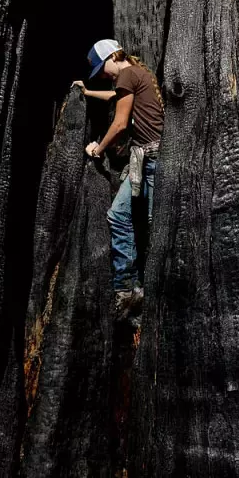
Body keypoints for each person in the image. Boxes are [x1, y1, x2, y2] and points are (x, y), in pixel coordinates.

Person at [73, 39, 164, 321]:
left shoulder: (126, 74)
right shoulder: (137, 72)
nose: (103, 74)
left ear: (114, 56)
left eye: (102, 68)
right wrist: (87, 92)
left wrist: (97, 149)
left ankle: (133, 290)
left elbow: (121, 122)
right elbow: (115, 97)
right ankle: (131, 290)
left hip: (152, 160)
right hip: (149, 157)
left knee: (144, 224)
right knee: (124, 217)